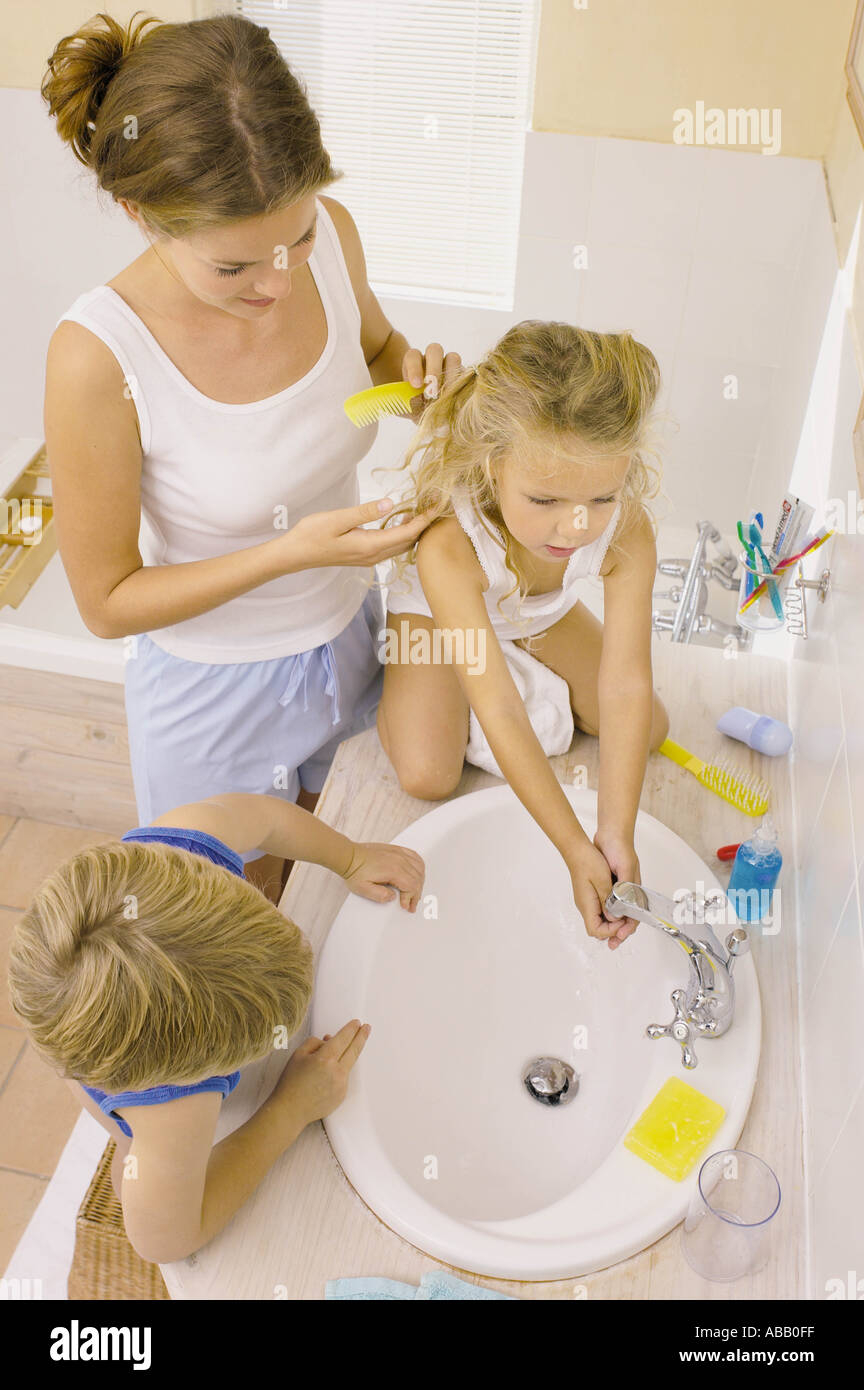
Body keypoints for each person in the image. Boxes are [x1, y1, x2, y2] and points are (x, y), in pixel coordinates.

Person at [41, 11, 462, 902]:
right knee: (230, 936)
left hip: (348, 643)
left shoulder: (336, 238)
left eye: (295, 240)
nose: (278, 282)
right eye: (233, 270)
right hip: (212, 697)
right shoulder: (98, 356)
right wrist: (293, 550)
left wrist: (416, 382)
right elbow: (108, 605)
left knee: (327, 909)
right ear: (140, 216)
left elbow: (377, 346)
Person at [7, 792, 424, 1263]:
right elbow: (165, 1243)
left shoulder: (184, 848)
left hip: (87, 1011)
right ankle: (127, 1146)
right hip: (126, 1089)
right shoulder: (172, 1111)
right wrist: (289, 1109)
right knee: (143, 1175)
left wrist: (350, 856)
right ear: (198, 1069)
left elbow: (265, 819)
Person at [377, 321, 671, 949]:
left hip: (534, 610)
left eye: (601, 497)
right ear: (492, 464)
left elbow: (626, 682)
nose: (574, 526)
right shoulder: (449, 547)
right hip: (438, 614)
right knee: (427, 773)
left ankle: (506, 643)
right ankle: (436, 664)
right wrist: (572, 845)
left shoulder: (626, 528)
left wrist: (615, 831)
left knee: (650, 729)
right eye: (543, 500)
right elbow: (501, 708)